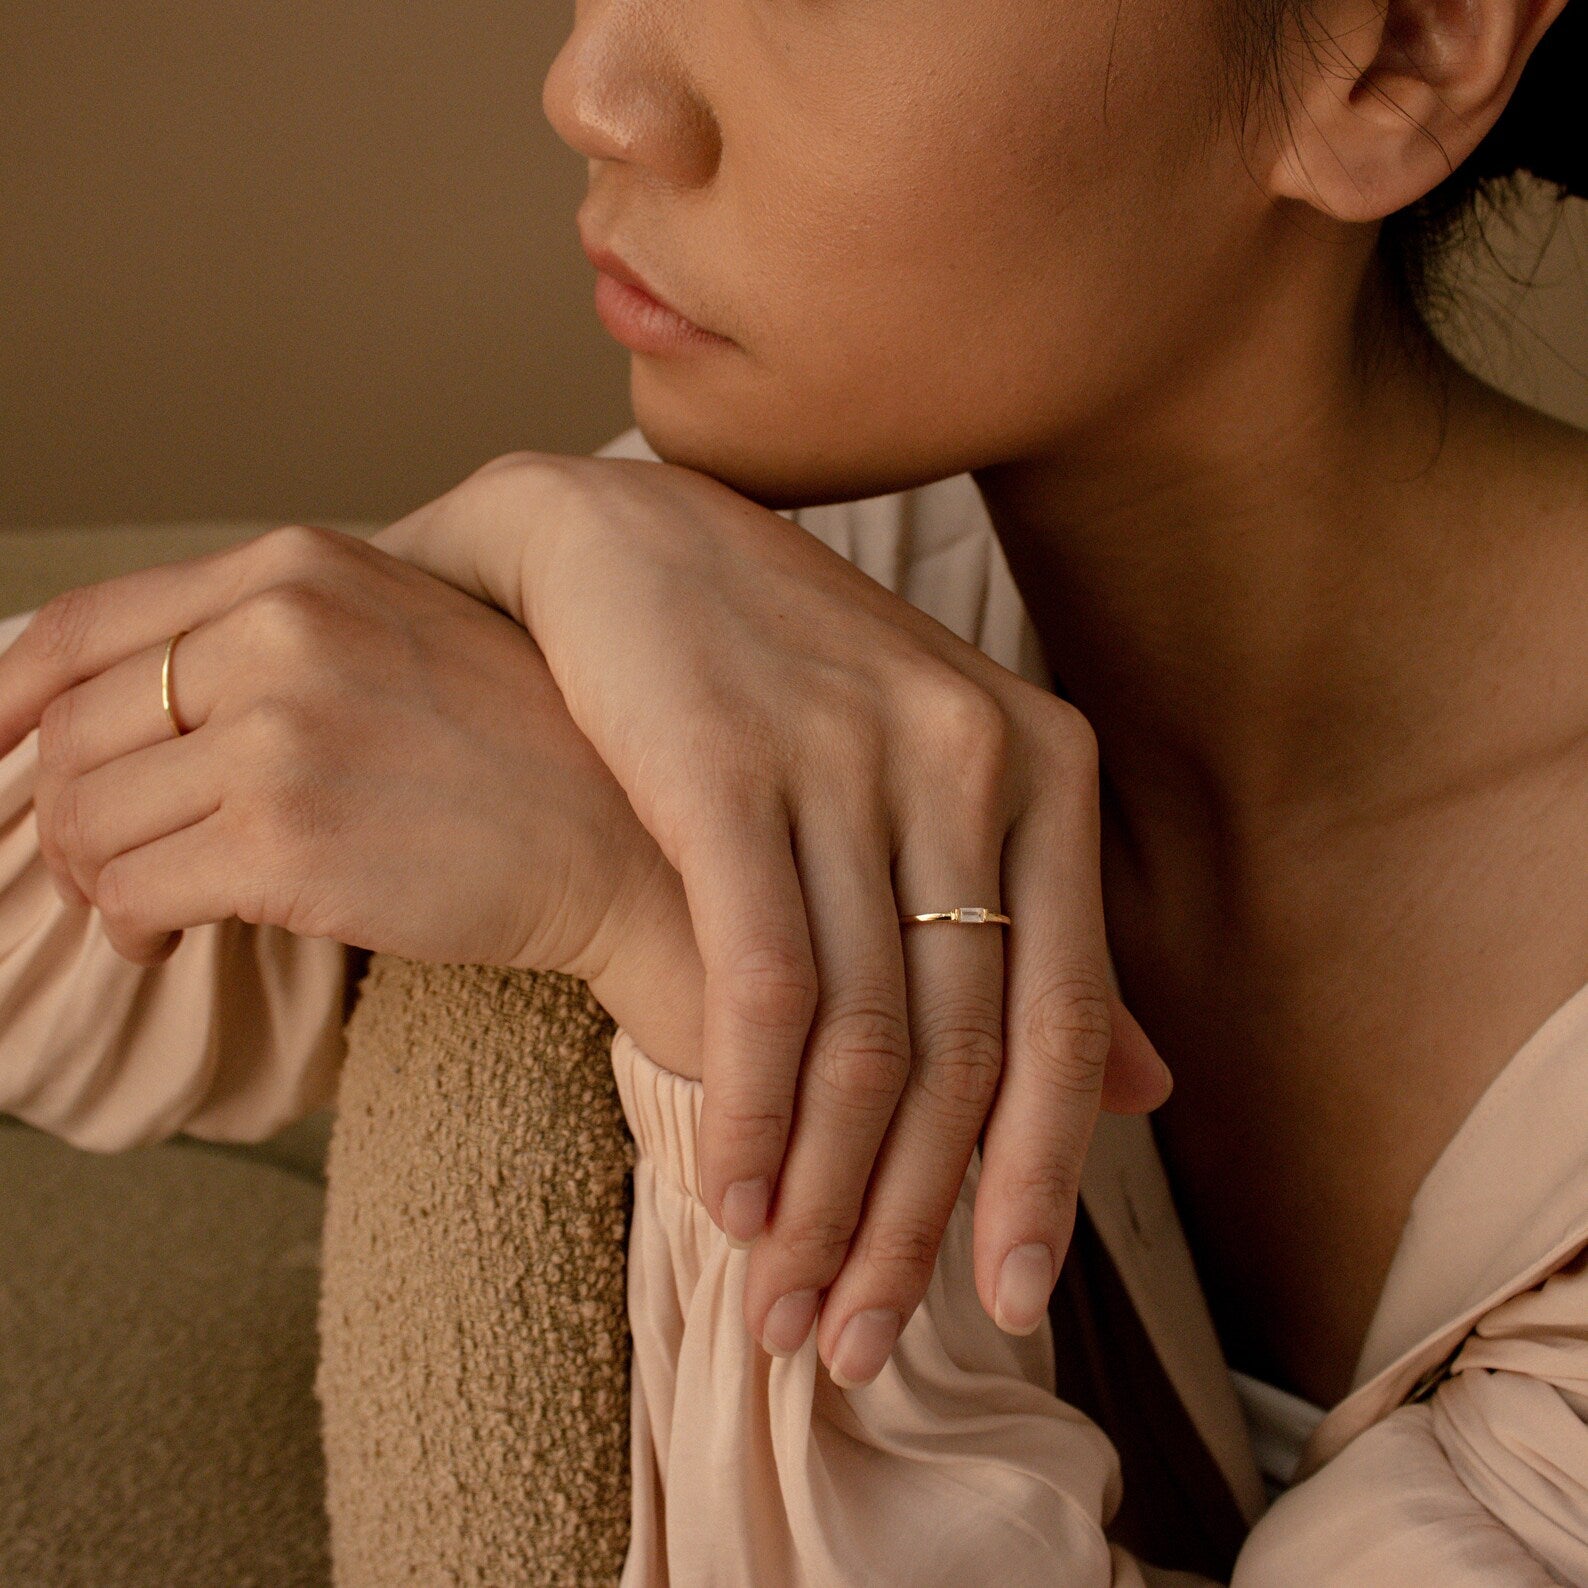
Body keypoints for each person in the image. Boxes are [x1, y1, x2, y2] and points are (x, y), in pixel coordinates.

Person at [2, 0, 1586, 1579]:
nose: (594, 92)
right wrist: (525, 542)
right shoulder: (775, 610)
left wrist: (717, 959)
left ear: (1403, 50)